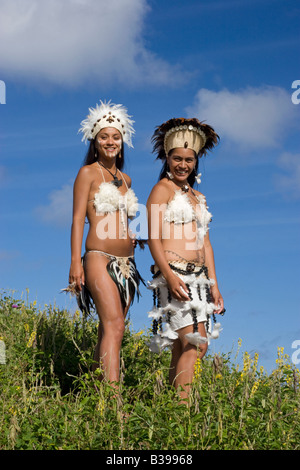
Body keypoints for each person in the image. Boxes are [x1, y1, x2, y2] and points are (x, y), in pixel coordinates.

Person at [146, 117, 225, 402]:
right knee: (194, 344)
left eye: (189, 159)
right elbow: (153, 237)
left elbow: (206, 242)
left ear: (196, 161)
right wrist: (168, 274)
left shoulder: (199, 197)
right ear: (167, 159)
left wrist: (214, 286)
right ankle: (181, 416)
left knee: (187, 347)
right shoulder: (161, 190)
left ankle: (169, 410)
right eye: (177, 158)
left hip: (200, 278)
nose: (183, 165)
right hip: (174, 273)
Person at [67, 100, 144, 386]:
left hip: (127, 265)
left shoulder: (126, 179)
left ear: (122, 141)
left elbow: (123, 217)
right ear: (95, 141)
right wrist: (76, 262)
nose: (110, 142)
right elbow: (77, 219)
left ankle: (97, 394)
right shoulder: (87, 173)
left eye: (115, 136)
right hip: (98, 257)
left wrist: (134, 233)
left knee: (108, 329)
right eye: (104, 136)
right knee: (115, 325)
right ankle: (113, 401)